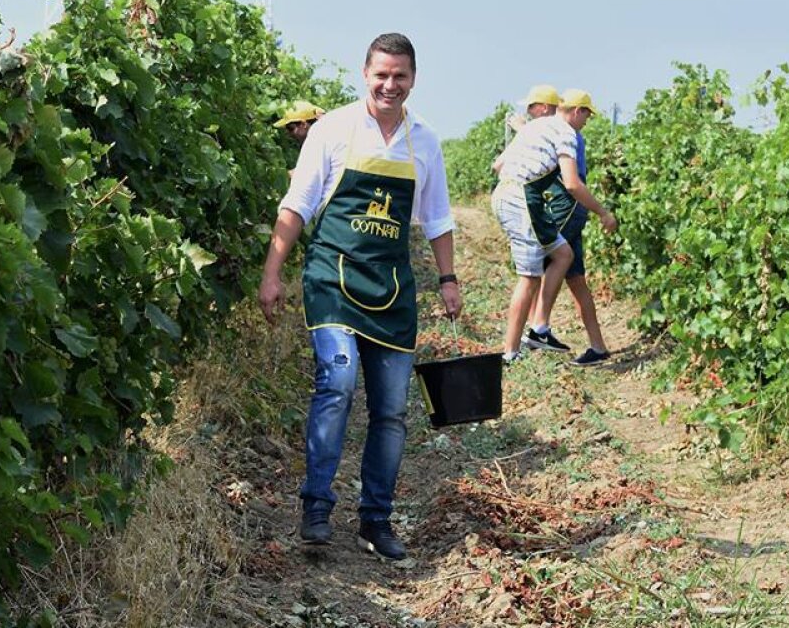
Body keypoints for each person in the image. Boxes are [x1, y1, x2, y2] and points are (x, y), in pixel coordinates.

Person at [257, 33, 462, 561]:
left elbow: (436, 218)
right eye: (381, 75)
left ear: (413, 79)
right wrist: (272, 273)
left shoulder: (425, 141)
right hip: (332, 278)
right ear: (365, 74)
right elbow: (297, 205)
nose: (389, 85)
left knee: (392, 411)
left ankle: (376, 520)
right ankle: (317, 507)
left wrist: (448, 279)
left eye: (400, 76)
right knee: (338, 381)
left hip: (392, 286)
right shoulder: (333, 129)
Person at [490, 89, 615, 364]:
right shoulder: (566, 133)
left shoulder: (536, 128)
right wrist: (603, 212)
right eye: (587, 115)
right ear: (576, 111)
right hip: (534, 200)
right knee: (532, 274)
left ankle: (551, 333)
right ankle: (515, 349)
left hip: (514, 194)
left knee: (563, 260)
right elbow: (572, 183)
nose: (587, 122)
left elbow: (498, 165)